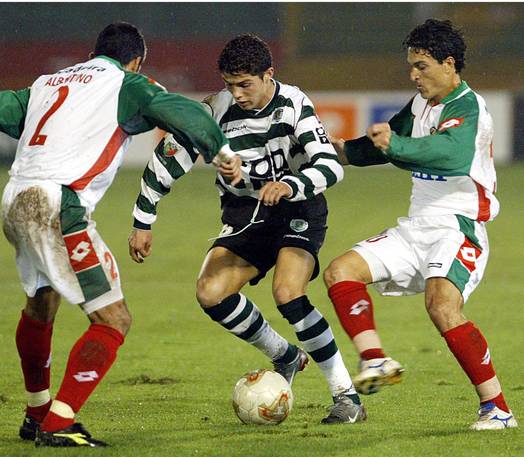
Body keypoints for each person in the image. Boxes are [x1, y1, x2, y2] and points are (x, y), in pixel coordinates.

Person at [0, 22, 241, 447]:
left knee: (41, 302)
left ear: (92, 53)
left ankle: (36, 412)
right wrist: (221, 150)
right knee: (113, 319)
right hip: (57, 206)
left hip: (15, 200)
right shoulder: (126, 83)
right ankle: (59, 422)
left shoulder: (47, 84)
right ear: (136, 61)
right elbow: (185, 111)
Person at [129, 34, 366, 424]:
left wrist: (290, 184)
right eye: (229, 84)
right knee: (210, 292)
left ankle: (346, 396)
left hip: (297, 207)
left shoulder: (293, 104)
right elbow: (167, 160)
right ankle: (284, 356)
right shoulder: (216, 112)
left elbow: (329, 165)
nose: (236, 94)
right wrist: (143, 221)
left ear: (268, 75)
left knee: (288, 293)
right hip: (246, 215)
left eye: (245, 84)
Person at [323, 19, 517, 430]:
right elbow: (384, 144)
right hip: (416, 228)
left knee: (442, 305)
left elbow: (449, 154)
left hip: (459, 227)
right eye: (412, 65)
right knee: (341, 271)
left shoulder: (469, 108)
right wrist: (337, 151)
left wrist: (396, 146)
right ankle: (375, 358)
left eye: (422, 65)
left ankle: (497, 409)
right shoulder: (421, 105)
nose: (414, 74)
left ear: (449, 64)